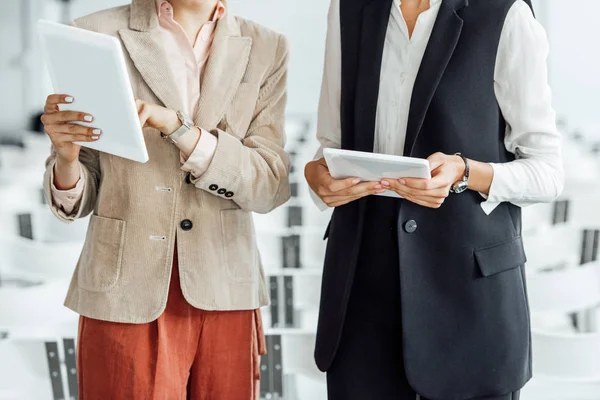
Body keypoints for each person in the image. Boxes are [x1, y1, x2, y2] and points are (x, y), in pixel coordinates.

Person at [305, 0, 563, 399]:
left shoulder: (505, 14)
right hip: (361, 294)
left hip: (469, 297)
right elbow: (331, 145)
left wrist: (464, 171)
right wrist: (315, 174)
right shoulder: (347, 10)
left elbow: (547, 172)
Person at [40, 0, 290, 398]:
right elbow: (80, 193)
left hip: (225, 284)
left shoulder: (267, 47)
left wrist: (178, 128)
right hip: (123, 287)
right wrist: (66, 159)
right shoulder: (91, 32)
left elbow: (270, 184)